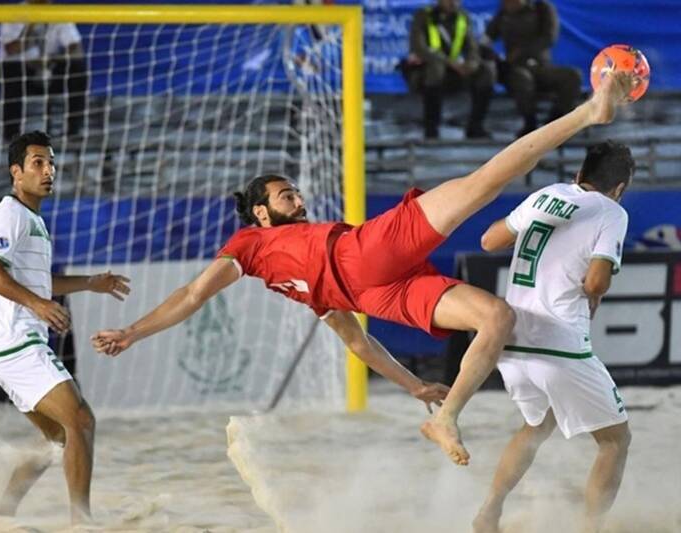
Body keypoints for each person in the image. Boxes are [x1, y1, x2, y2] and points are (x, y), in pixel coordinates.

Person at [92, 72, 635, 466]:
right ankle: (589, 112)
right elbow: (192, 295)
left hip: (368, 289)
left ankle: (444, 417)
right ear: (259, 213)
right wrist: (133, 331)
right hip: (362, 257)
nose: (297, 197)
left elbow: (360, 344)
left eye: (295, 191)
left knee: (497, 318)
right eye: (284, 194)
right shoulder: (250, 243)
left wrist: (413, 386)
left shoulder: (299, 282)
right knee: (483, 183)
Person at [473, 141, 634, 533]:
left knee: (537, 425)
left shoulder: (547, 195)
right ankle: (590, 529)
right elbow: (596, 281)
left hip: (512, 343)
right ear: (620, 188)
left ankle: (489, 511)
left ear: (579, 175)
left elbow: (489, 240)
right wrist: (594, 291)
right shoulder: (612, 211)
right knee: (615, 440)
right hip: (559, 343)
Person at [0, 131, 130, 523]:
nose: (49, 171)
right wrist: (38, 304)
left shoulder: (33, 219)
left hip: (9, 347)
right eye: (38, 163)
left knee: (58, 437)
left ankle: (1, 517)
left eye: (51, 163)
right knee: (81, 420)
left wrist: (90, 283)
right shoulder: (10, 213)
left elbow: (41, 283)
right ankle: (82, 522)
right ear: (16, 172)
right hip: (17, 343)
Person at [486, 0, 582, 137]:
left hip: (540, 66)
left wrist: (523, 51)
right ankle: (530, 125)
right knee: (522, 79)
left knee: (573, 76)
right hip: (516, 67)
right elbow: (488, 37)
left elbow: (549, 38)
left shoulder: (542, 8)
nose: (509, 4)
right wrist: (493, 55)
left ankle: (555, 123)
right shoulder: (503, 13)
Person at [0, 0, 88, 141]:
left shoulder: (57, 13)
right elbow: (11, 49)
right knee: (11, 70)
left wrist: (53, 59)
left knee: (77, 68)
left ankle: (74, 130)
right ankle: (12, 134)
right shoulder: (14, 12)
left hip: (49, 67)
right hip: (21, 70)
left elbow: (76, 48)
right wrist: (31, 25)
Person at [404, 0, 494, 139]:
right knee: (436, 68)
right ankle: (431, 128)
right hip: (427, 71)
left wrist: (471, 64)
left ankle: (475, 126)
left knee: (487, 71)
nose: (453, 2)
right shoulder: (424, 16)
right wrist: (450, 63)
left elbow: (471, 47)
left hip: (454, 71)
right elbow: (419, 48)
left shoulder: (462, 17)